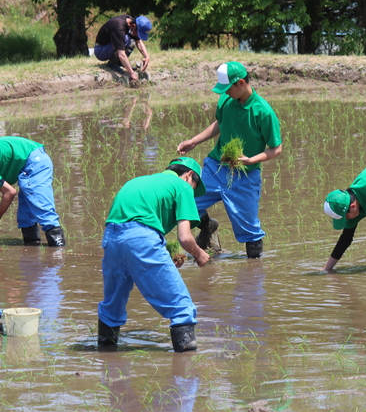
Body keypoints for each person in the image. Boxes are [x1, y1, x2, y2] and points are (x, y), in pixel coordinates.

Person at [97, 157, 210, 352]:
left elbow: (128, 230)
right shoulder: (182, 187)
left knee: (112, 306)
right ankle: (186, 372)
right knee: (182, 308)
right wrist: (199, 254)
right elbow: (185, 237)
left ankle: (106, 359)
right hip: (142, 239)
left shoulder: (137, 181)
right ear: (189, 175)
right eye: (194, 186)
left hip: (111, 238)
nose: (192, 191)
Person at [177, 61, 282, 258]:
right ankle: (207, 228)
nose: (225, 93)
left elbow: (276, 148)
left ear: (241, 83)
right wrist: (194, 141)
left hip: (245, 176)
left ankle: (253, 274)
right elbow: (220, 123)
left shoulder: (263, 112)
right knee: (187, 203)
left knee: (250, 230)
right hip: (216, 169)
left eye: (228, 89)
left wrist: (251, 160)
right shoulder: (226, 102)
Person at [0, 136, 65, 247]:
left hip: (35, 160)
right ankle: (32, 251)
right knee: (26, 216)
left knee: (42, 208)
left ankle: (58, 253)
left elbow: (10, 192)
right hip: (24, 159)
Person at [94, 15, 152, 81]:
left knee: (130, 40)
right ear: (133, 26)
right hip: (101, 50)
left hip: (110, 46)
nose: (137, 36)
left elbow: (138, 41)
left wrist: (147, 57)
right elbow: (121, 55)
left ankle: (119, 63)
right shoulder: (118, 27)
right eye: (138, 33)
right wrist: (131, 73)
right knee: (127, 39)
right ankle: (112, 64)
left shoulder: (131, 22)